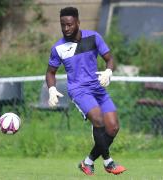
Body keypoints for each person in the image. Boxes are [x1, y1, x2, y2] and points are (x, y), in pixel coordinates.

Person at [45, 7, 126, 176]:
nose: (66, 28)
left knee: (113, 128)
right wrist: (52, 89)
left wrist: (108, 71)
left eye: (69, 25)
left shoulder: (93, 37)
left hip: (97, 87)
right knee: (98, 120)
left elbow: (110, 59)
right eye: (63, 25)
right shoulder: (58, 48)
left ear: (78, 23)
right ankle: (108, 162)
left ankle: (87, 162)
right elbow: (50, 72)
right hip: (79, 90)